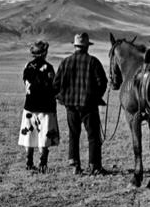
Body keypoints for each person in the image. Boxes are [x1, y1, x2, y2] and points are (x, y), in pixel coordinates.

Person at [53, 32, 108, 175]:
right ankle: (94, 166)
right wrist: (95, 97)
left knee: (73, 134)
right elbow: (102, 83)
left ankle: (75, 164)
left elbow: (56, 85)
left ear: (75, 46)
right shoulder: (93, 62)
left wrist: (62, 98)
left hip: (70, 105)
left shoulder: (65, 62)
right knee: (93, 136)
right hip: (89, 106)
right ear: (87, 47)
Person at [18, 41, 60, 172]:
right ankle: (43, 163)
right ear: (44, 53)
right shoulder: (49, 68)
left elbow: (25, 83)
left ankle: (29, 161)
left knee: (29, 133)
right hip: (46, 107)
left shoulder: (27, 66)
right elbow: (54, 87)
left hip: (30, 106)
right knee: (44, 135)